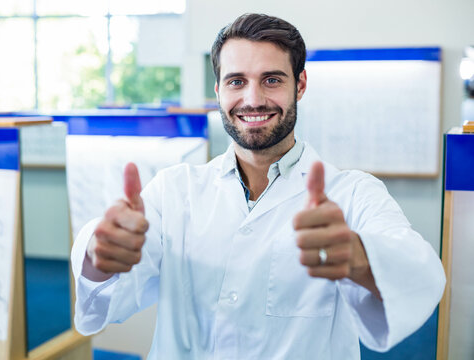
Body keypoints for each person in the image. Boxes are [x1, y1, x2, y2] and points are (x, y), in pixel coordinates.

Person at [71, 13, 445, 359]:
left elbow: (422, 272)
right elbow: (113, 292)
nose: (253, 99)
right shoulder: (174, 190)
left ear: (299, 85)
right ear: (218, 89)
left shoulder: (353, 193)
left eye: (272, 80)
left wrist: (357, 256)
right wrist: (99, 254)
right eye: (237, 81)